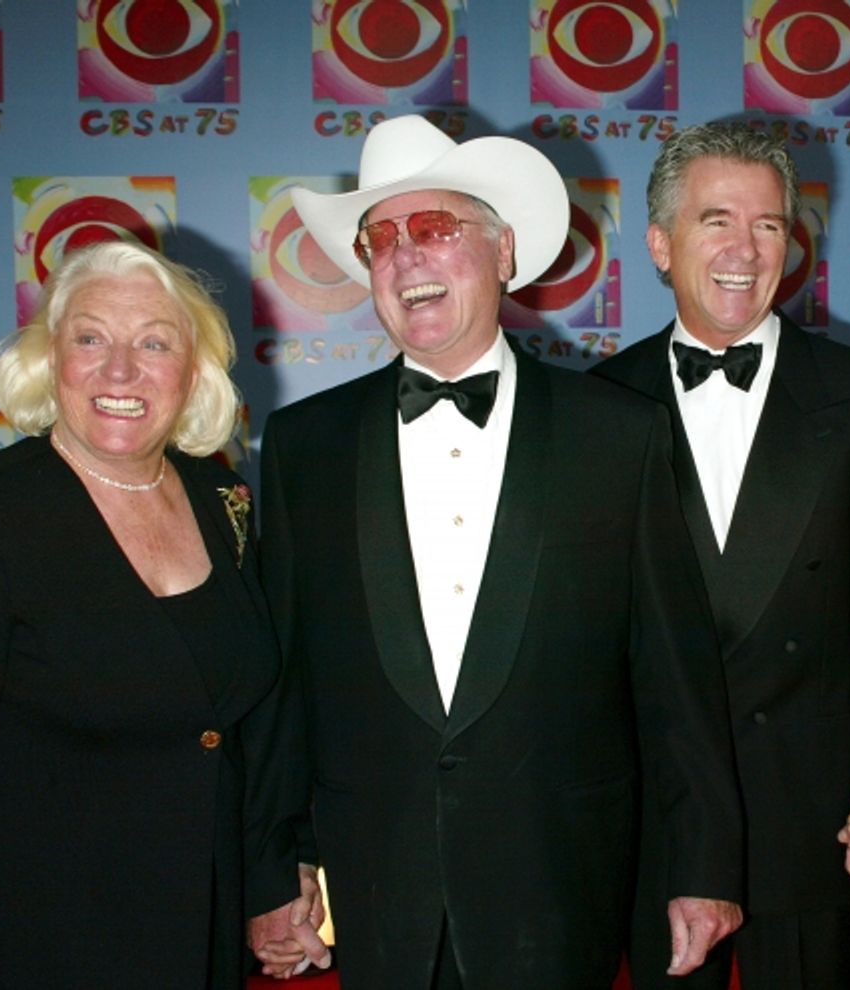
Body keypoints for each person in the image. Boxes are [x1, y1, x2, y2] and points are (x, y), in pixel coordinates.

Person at [250, 113, 744, 990]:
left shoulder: (619, 437)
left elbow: (677, 673)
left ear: (506, 252)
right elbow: (284, 682)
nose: (407, 257)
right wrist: (275, 863)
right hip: (376, 889)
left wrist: (703, 866)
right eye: (382, 240)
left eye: (436, 228)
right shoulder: (303, 447)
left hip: (562, 882)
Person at [594, 120, 850, 989]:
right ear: (659, 243)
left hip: (809, 815)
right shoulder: (594, 408)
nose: (744, 250)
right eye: (716, 219)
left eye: (767, 225)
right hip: (649, 821)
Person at [0, 240, 323, 988]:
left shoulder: (221, 500)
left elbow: (245, 723)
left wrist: (270, 884)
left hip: (201, 934)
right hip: (38, 935)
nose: (120, 370)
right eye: (90, 338)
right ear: (49, 359)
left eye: (153, 343)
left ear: (192, 372)